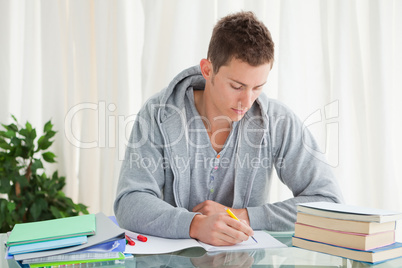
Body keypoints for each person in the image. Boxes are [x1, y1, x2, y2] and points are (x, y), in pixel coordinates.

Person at [114, 11, 343, 246]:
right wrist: (194, 224)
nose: (247, 101)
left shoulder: (277, 120)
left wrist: (242, 216)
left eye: (258, 87)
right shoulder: (158, 113)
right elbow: (130, 201)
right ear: (207, 70)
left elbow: (328, 202)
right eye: (237, 86)